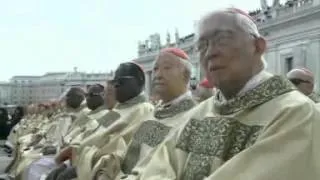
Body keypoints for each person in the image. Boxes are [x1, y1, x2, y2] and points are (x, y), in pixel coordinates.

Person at [136, 8, 320, 180]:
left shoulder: (296, 114)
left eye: (222, 40)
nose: (209, 53)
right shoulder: (197, 115)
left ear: (258, 46)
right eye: (201, 47)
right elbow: (158, 167)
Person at [89, 48, 197, 180]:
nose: (158, 75)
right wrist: (108, 169)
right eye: (156, 69)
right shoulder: (154, 114)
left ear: (186, 75)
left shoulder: (195, 117)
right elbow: (132, 155)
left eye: (167, 68)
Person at [45, 62, 154, 180]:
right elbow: (94, 134)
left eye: (120, 81)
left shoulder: (145, 110)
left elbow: (132, 151)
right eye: (114, 81)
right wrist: (76, 150)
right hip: (86, 161)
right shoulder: (116, 111)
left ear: (137, 82)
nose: (116, 85)